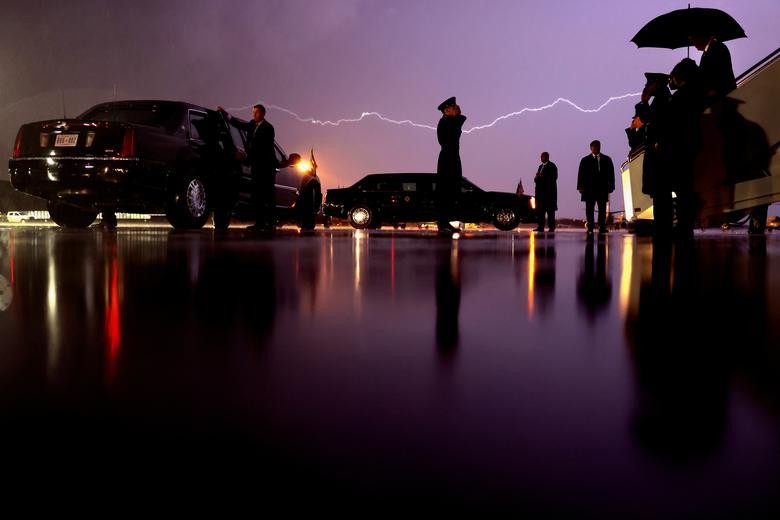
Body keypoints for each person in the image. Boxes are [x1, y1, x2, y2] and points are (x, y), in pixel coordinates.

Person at [655, 58, 702, 239]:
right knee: (686, 188)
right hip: (690, 147)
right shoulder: (695, 95)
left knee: (682, 189)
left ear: (680, 77)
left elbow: (671, 124)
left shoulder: (680, 98)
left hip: (679, 149)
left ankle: (683, 226)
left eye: (672, 77)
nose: (670, 81)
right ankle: (685, 225)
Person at [217, 103, 278, 231]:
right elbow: (237, 124)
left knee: (268, 195)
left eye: (256, 113)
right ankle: (259, 223)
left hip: (267, 166)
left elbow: (264, 147)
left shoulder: (268, 128)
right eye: (253, 113)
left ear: (262, 114)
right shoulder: (251, 124)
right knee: (257, 196)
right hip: (256, 166)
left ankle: (271, 224)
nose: (253, 115)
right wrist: (225, 114)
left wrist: (246, 156)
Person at [436, 96, 467, 234]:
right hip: (448, 159)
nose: (457, 109)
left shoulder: (449, 121)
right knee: (446, 191)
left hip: (451, 158)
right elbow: (459, 123)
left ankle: (445, 221)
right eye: (454, 107)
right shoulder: (446, 123)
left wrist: (458, 116)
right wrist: (459, 116)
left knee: (451, 190)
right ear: (446, 110)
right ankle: (443, 222)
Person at [577, 140, 615, 234]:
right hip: (588, 189)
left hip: (602, 188)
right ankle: (590, 227)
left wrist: (611, 186)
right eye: (594, 147)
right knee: (589, 209)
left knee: (602, 209)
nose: (596, 148)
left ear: (600, 147)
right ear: (591, 148)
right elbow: (580, 174)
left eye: (597, 146)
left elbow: (611, 174)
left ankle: (602, 227)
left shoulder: (606, 159)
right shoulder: (585, 160)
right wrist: (580, 187)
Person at [689, 32, 736, 106]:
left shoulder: (716, 47)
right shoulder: (710, 49)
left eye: (693, 39)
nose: (692, 42)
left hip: (721, 96)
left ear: (700, 37)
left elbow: (718, 73)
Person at [533, 151, 558, 233]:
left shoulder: (552, 166)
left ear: (547, 157)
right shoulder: (540, 166)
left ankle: (551, 227)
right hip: (540, 194)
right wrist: (537, 177)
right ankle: (540, 226)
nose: (542, 158)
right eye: (541, 157)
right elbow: (537, 180)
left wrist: (543, 176)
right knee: (540, 211)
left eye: (543, 157)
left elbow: (554, 178)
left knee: (550, 212)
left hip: (549, 194)